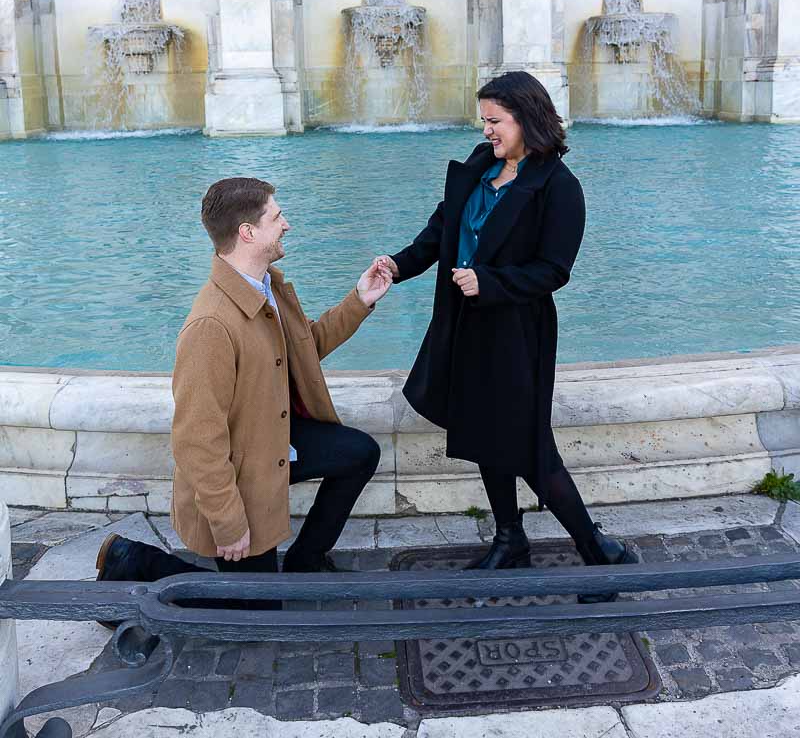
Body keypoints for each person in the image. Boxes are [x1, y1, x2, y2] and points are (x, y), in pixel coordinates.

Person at [378, 71, 636, 602]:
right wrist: (396, 267)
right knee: (481, 434)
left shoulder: (559, 187)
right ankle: (509, 538)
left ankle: (598, 554)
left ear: (526, 119)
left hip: (517, 333)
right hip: (464, 326)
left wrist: (490, 282)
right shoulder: (478, 168)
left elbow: (554, 270)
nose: (488, 131)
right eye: (484, 122)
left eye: (496, 121)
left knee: (532, 450)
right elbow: (439, 234)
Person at [96, 176, 392, 598]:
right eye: (276, 216)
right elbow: (197, 439)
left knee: (360, 453)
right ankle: (132, 561)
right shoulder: (211, 325)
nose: (286, 224)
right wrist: (229, 521)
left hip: (270, 443)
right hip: (238, 475)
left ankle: (303, 566)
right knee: (254, 614)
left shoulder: (267, 286)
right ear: (248, 232)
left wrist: (358, 301)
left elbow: (303, 350)